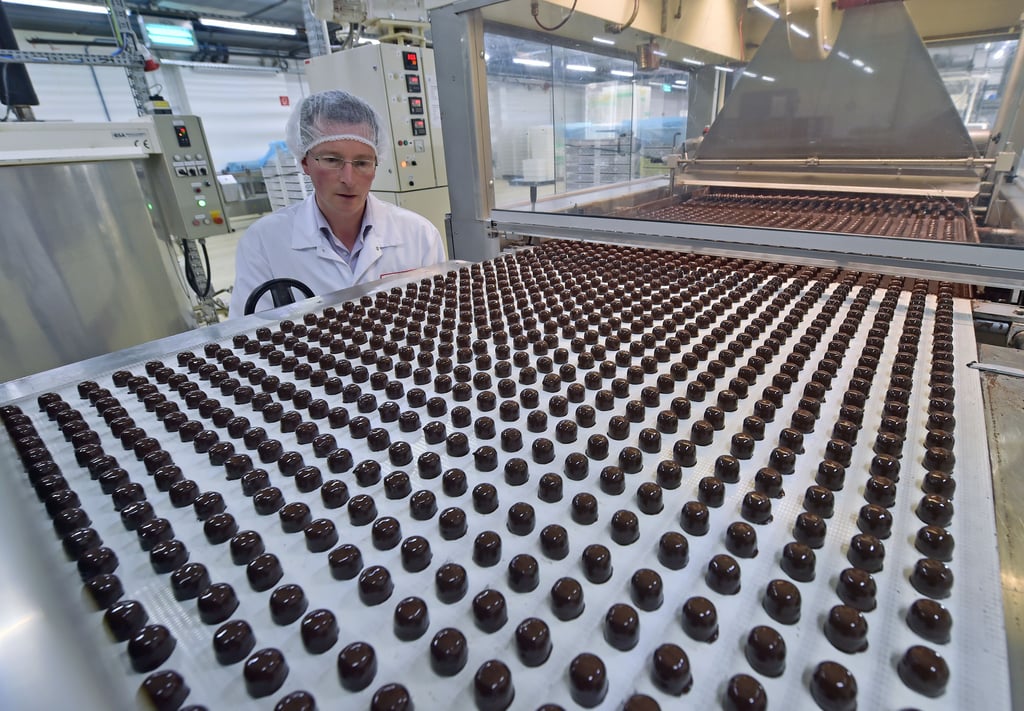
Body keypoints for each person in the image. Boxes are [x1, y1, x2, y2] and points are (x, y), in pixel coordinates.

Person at [228, 90, 445, 317]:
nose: (348, 179)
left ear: (376, 164)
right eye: (332, 160)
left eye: (362, 163)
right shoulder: (263, 242)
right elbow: (247, 335)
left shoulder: (419, 234)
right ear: (305, 162)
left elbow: (438, 318)